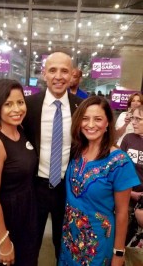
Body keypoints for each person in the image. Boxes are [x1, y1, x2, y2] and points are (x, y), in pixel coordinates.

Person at [58, 96, 140, 266]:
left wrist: (119, 253)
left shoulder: (119, 161)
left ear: (108, 123)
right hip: (69, 240)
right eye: (85, 118)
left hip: (98, 245)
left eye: (98, 119)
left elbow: (122, 213)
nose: (90, 124)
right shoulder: (76, 150)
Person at [23, 52, 83, 261]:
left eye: (64, 71)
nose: (58, 76)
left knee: (64, 244)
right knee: (29, 243)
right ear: (44, 74)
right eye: (52, 70)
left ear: (73, 74)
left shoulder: (81, 108)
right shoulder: (27, 106)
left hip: (67, 188)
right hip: (34, 187)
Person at [0, 79, 38, 266]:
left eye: (20, 102)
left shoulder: (21, 131)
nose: (17, 109)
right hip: (1, 222)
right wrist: (3, 241)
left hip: (24, 217)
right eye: (8, 104)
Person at [121, 105, 143, 248]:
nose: (133, 122)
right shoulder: (128, 138)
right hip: (125, 197)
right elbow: (119, 170)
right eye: (133, 118)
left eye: (139, 119)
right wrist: (131, 193)